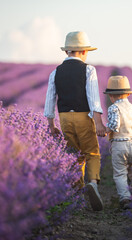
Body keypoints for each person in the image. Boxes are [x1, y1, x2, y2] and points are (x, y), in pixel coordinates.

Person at [44, 31, 106, 211]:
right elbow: (93, 98)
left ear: (67, 52)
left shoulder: (55, 72)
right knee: (92, 152)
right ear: (84, 52)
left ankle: (78, 191)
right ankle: (92, 183)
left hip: (64, 118)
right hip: (83, 116)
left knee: (73, 154)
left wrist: (51, 125)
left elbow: (50, 99)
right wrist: (99, 123)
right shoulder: (88, 69)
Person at [104, 75, 132, 210]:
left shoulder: (113, 108)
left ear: (111, 96)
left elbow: (114, 126)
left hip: (119, 144)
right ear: (128, 94)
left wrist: (103, 131)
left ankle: (125, 198)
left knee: (120, 173)